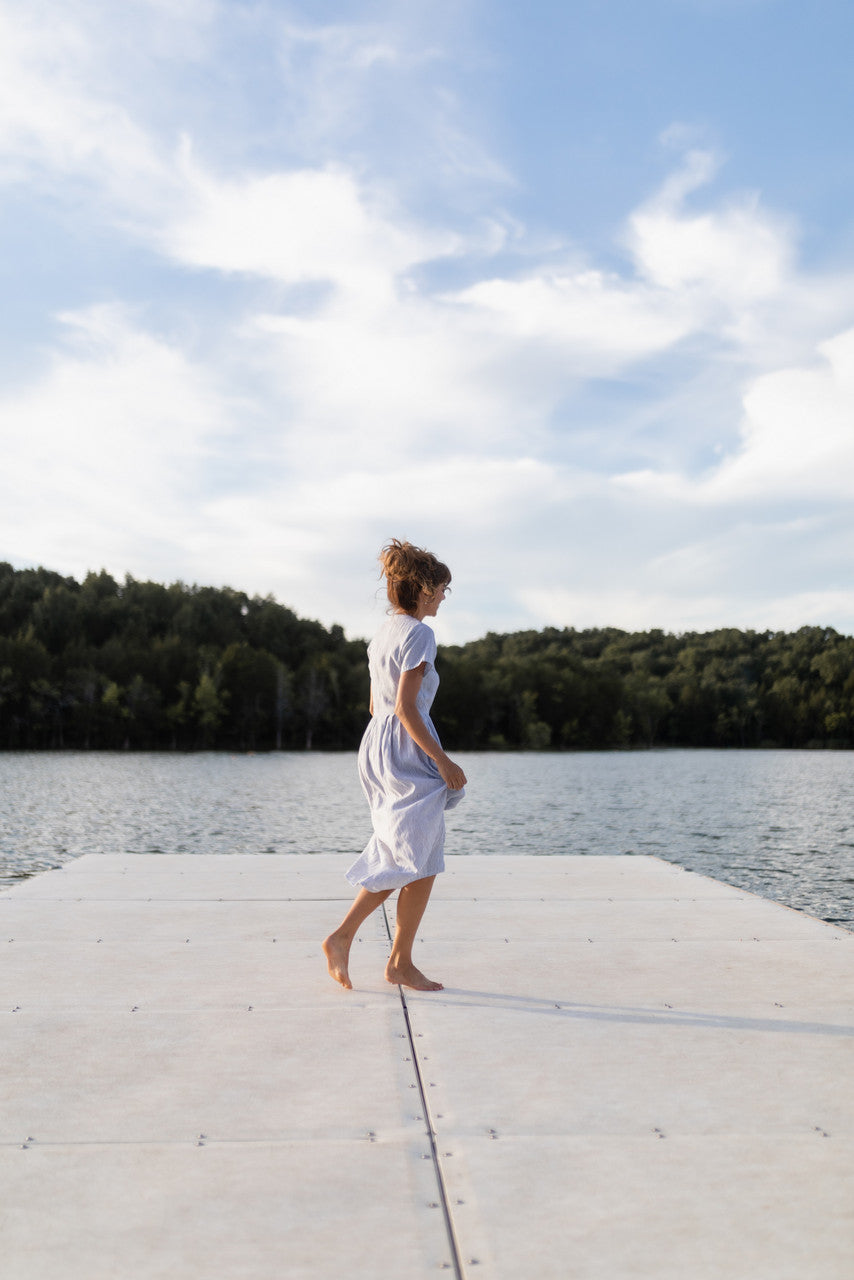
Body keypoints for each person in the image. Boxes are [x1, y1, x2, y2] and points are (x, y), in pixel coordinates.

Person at [323, 539, 467, 992]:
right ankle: (346, 937)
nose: (444, 596)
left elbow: (376, 705)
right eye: (443, 588)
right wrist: (441, 761)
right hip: (405, 747)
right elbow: (406, 708)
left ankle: (399, 961)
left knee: (419, 857)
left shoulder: (383, 634)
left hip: (378, 746)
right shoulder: (420, 634)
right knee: (411, 856)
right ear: (424, 590)